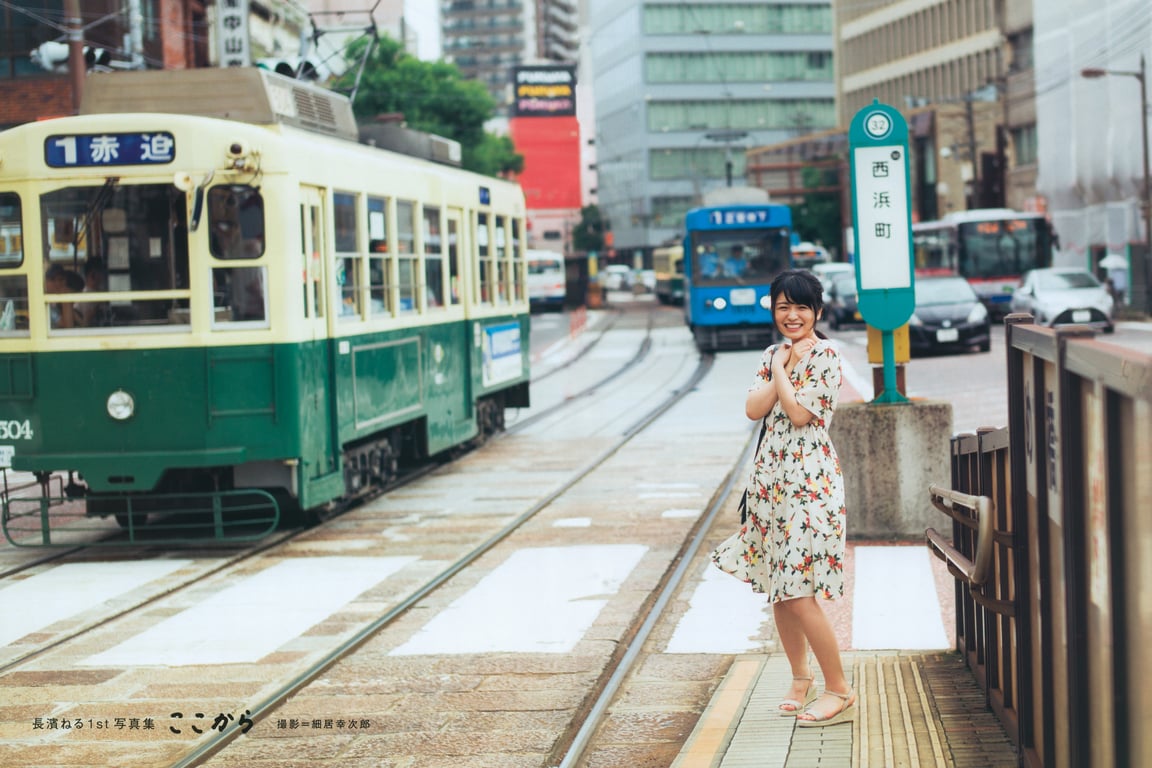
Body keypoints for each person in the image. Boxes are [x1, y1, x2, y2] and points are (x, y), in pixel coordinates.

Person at [711, 268, 853, 727]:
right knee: (779, 587)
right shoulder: (775, 352)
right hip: (772, 485)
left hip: (809, 485)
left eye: (801, 307)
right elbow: (754, 408)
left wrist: (780, 370)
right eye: (783, 306)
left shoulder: (827, 354)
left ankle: (838, 689)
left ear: (818, 311)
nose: (791, 315)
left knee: (799, 591)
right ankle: (799, 678)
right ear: (773, 309)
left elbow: (795, 413)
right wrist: (780, 364)